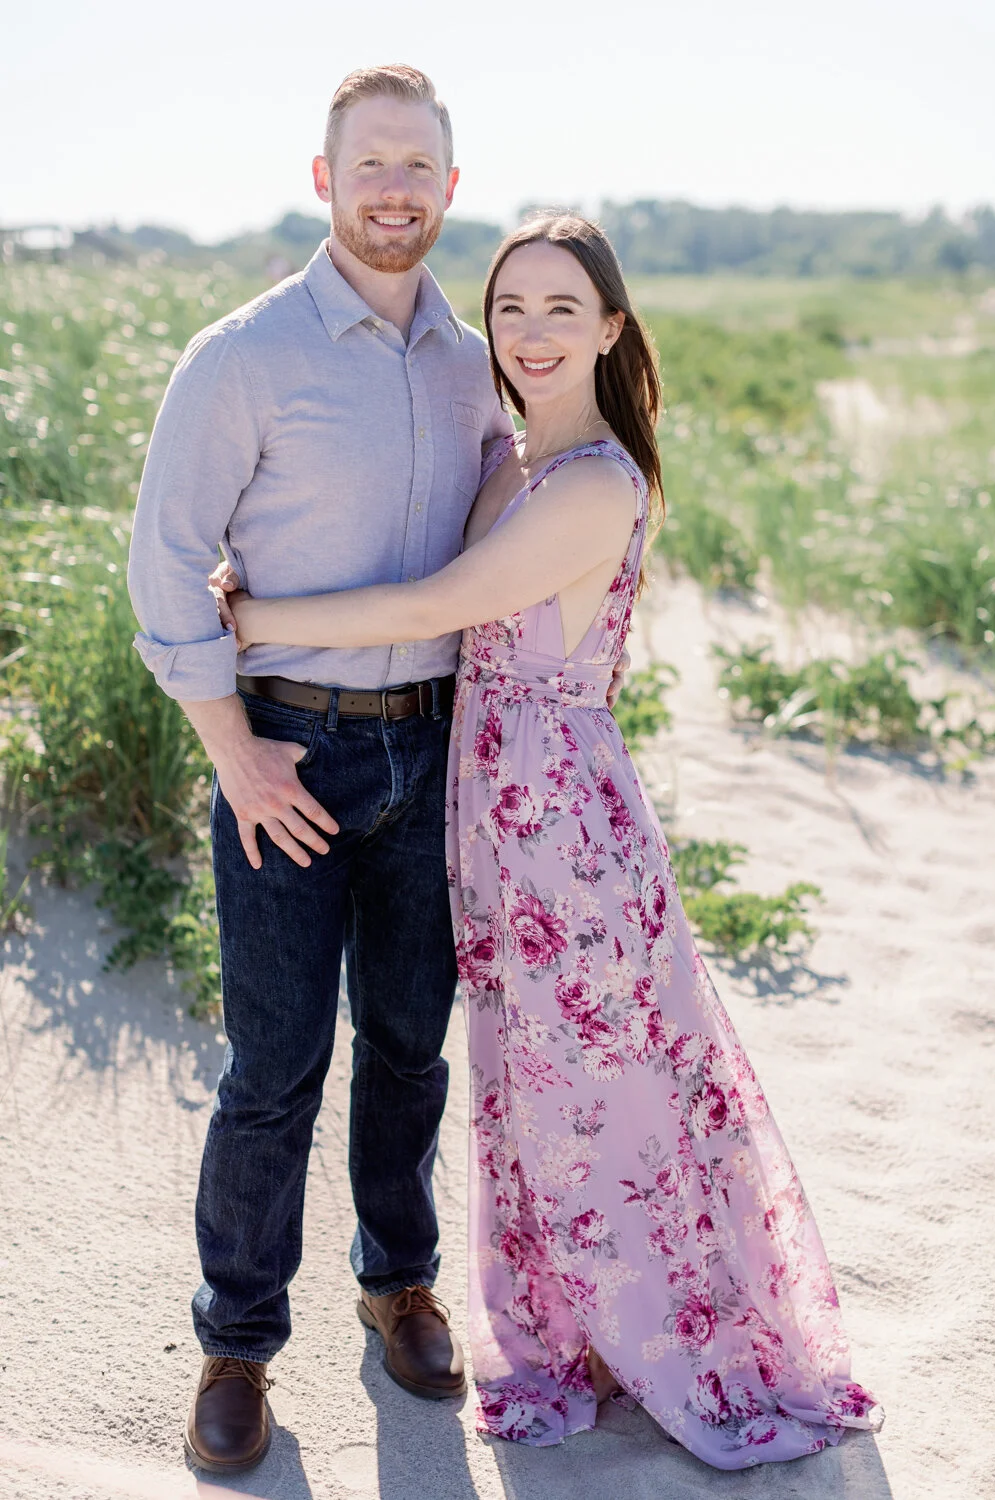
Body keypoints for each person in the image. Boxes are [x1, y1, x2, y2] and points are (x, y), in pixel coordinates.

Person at [215, 213, 884, 1470]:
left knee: (613, 1089)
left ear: (612, 328)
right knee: (534, 1090)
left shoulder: (596, 484)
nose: (527, 332)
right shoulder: (514, 463)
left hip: (563, 828)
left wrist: (252, 620)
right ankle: (575, 1327)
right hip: (488, 815)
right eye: (508, 307)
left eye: (560, 309)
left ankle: (677, 1333)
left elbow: (429, 604)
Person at [129, 65, 631, 1477]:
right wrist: (234, 753)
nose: (396, 189)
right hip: (287, 749)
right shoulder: (243, 356)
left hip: (441, 753)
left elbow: (510, 543)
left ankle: (398, 1282)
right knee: (274, 1070)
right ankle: (236, 1350)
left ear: (451, 188)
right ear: (325, 180)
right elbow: (165, 564)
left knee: (412, 1046)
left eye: (421, 167)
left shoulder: (479, 362)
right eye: (371, 167)